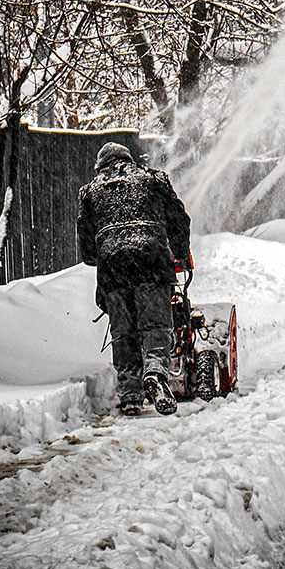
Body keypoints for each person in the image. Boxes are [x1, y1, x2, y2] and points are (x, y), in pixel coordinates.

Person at [77, 142, 191, 417]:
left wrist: (100, 255)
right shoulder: (153, 179)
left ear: (100, 166)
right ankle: (155, 371)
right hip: (151, 262)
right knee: (155, 325)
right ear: (130, 160)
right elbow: (178, 220)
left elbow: (86, 243)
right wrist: (181, 252)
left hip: (114, 269)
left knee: (124, 333)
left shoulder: (90, 192)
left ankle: (130, 396)